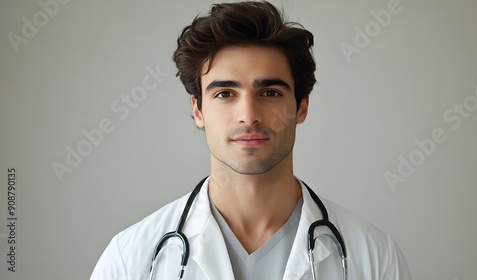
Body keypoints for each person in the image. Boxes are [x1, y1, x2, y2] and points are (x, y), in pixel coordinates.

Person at [90, 1, 412, 279]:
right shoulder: (129, 260)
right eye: (225, 93)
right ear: (198, 110)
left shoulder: (374, 258)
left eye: (269, 92)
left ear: (301, 106)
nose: (249, 114)